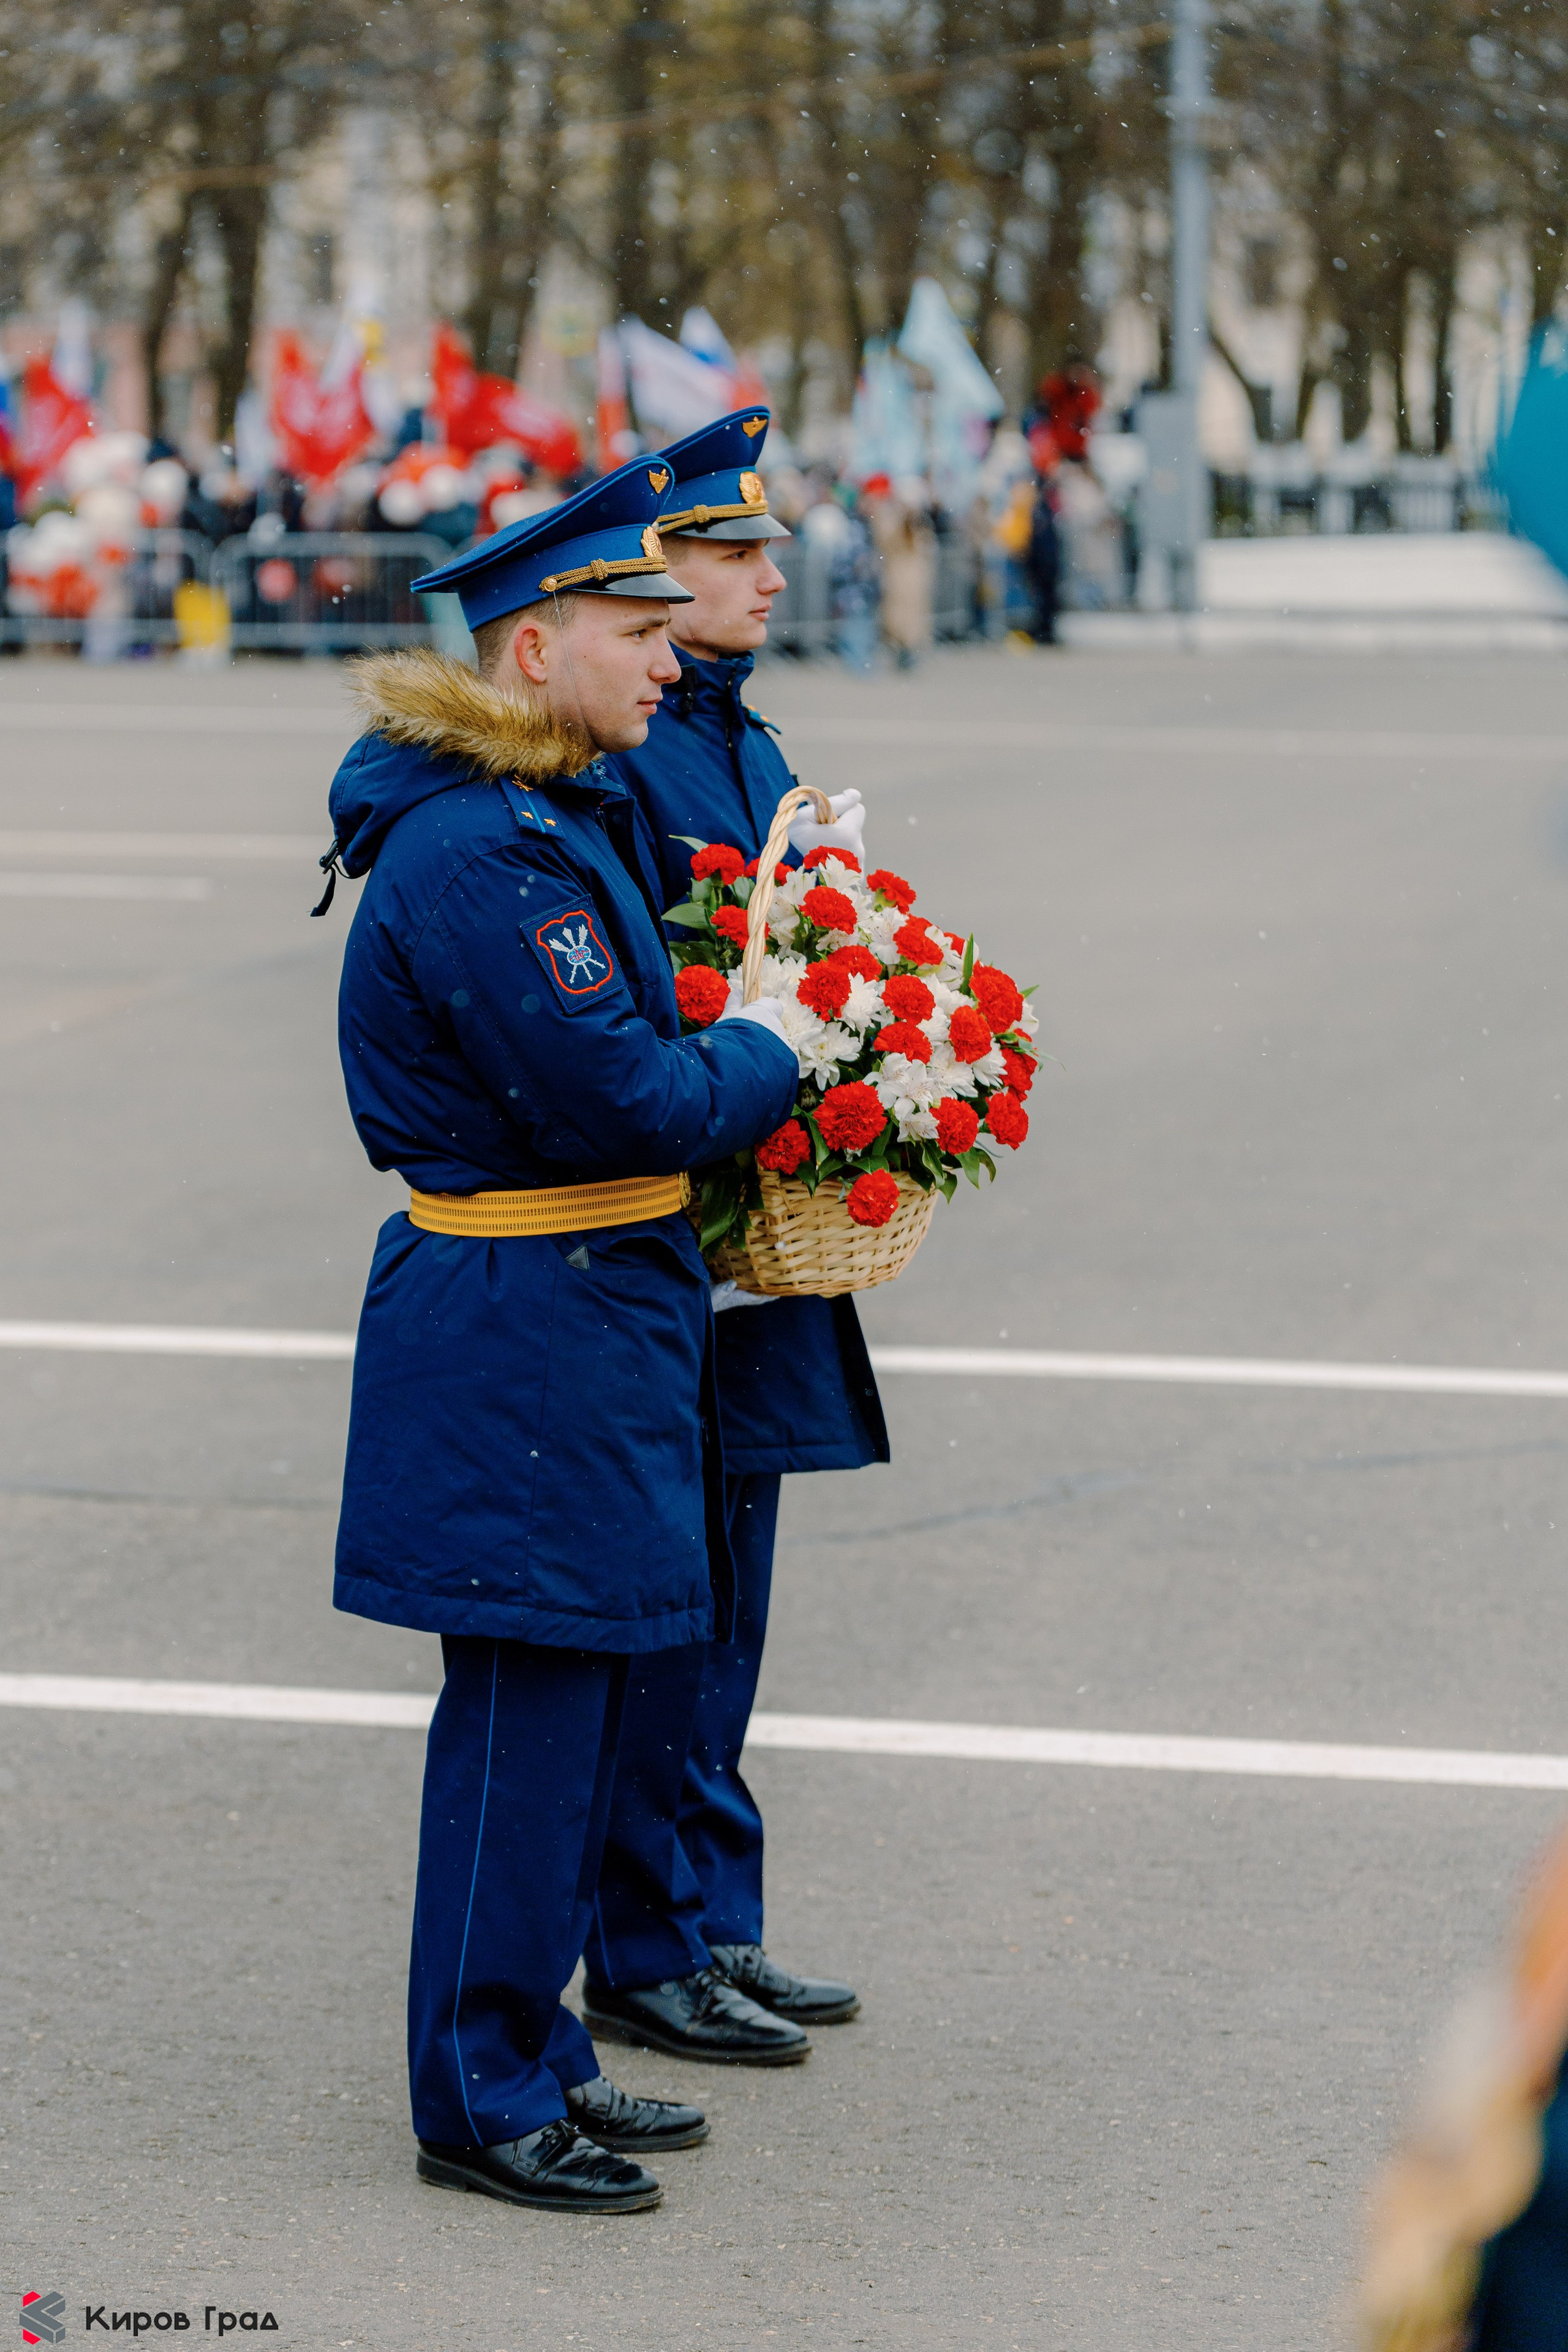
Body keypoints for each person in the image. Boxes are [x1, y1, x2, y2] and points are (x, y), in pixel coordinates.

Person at [317, 459, 800, 2212]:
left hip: (578, 1320)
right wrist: (774, 1049)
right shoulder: (479, 850)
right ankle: (482, 2095)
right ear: (534, 650)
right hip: (525, 1326)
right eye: (635, 625)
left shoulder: (549, 812)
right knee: (525, 1726)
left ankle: (545, 2053)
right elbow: (622, 1095)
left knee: (580, 1714)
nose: (669, 658)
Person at [587, 409, 889, 2067]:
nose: (774, 573)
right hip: (679, 1208)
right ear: (659, 567)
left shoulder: (742, 735)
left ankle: (716, 1919)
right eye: (735, 552)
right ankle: (645, 1946)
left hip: (750, 1210)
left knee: (735, 1587)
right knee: (674, 1594)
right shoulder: (642, 745)